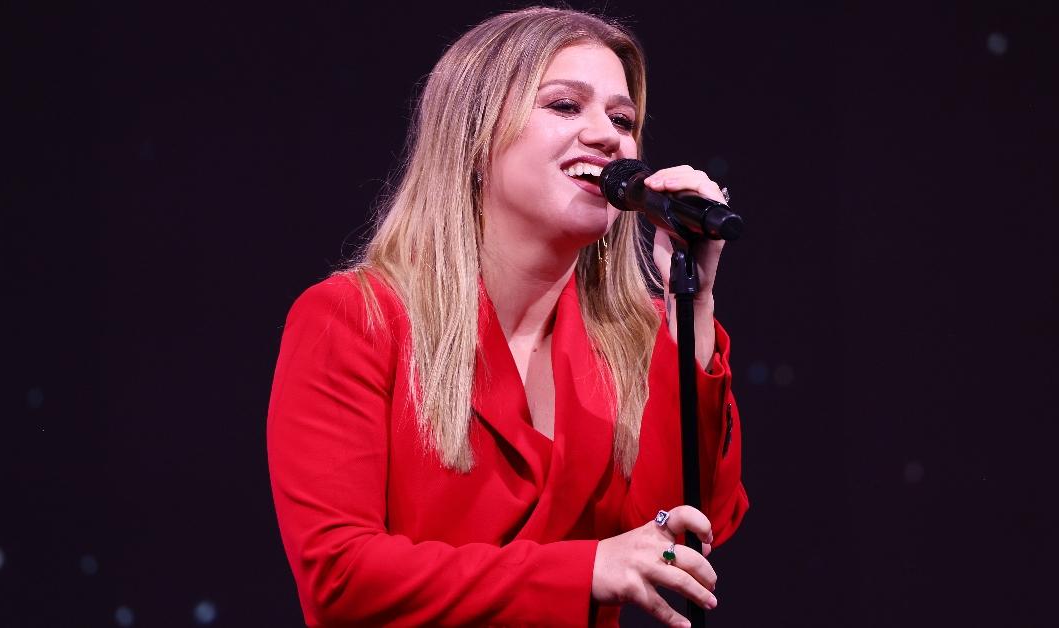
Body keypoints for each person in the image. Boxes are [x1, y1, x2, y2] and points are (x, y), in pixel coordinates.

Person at [266, 7, 748, 626]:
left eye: (623, 119)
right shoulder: (355, 319)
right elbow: (340, 577)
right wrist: (583, 571)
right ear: (475, 135)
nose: (608, 137)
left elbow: (681, 530)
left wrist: (693, 305)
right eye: (565, 106)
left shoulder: (636, 343)